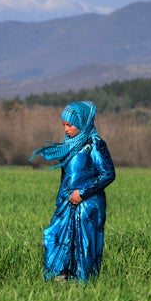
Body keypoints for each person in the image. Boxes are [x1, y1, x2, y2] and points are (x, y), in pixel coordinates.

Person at [29, 100, 116, 282]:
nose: (66, 129)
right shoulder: (69, 145)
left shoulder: (95, 144)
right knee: (52, 236)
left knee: (83, 245)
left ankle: (83, 285)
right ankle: (59, 279)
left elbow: (108, 173)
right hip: (67, 203)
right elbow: (65, 177)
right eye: (64, 125)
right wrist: (61, 200)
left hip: (88, 206)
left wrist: (82, 194)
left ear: (83, 122)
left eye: (70, 125)